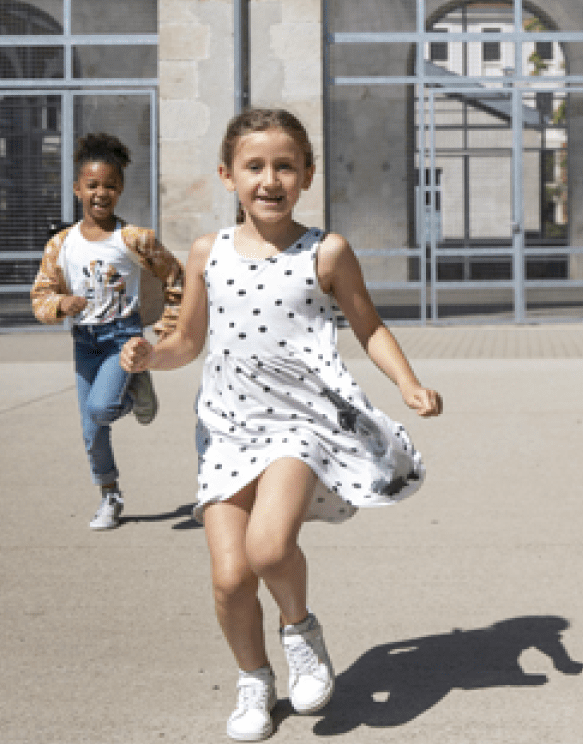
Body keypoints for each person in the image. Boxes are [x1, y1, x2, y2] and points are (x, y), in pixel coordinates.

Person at [119, 108, 441, 742]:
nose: (270, 179)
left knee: (268, 549)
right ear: (227, 175)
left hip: (301, 426)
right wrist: (151, 356)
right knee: (230, 576)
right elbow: (189, 339)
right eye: (255, 166)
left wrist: (407, 383)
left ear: (308, 176)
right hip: (226, 428)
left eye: (285, 166)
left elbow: (368, 326)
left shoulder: (326, 252)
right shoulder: (208, 251)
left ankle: (300, 631)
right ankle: (254, 681)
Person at [29, 132, 183, 531]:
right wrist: (61, 305)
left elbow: (176, 278)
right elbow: (41, 294)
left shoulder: (134, 239)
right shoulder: (60, 245)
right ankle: (109, 495)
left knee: (100, 409)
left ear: (121, 189)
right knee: (90, 429)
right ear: (77, 188)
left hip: (122, 338)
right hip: (85, 342)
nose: (101, 193)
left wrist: (165, 329)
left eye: (110, 185)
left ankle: (133, 388)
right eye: (93, 185)